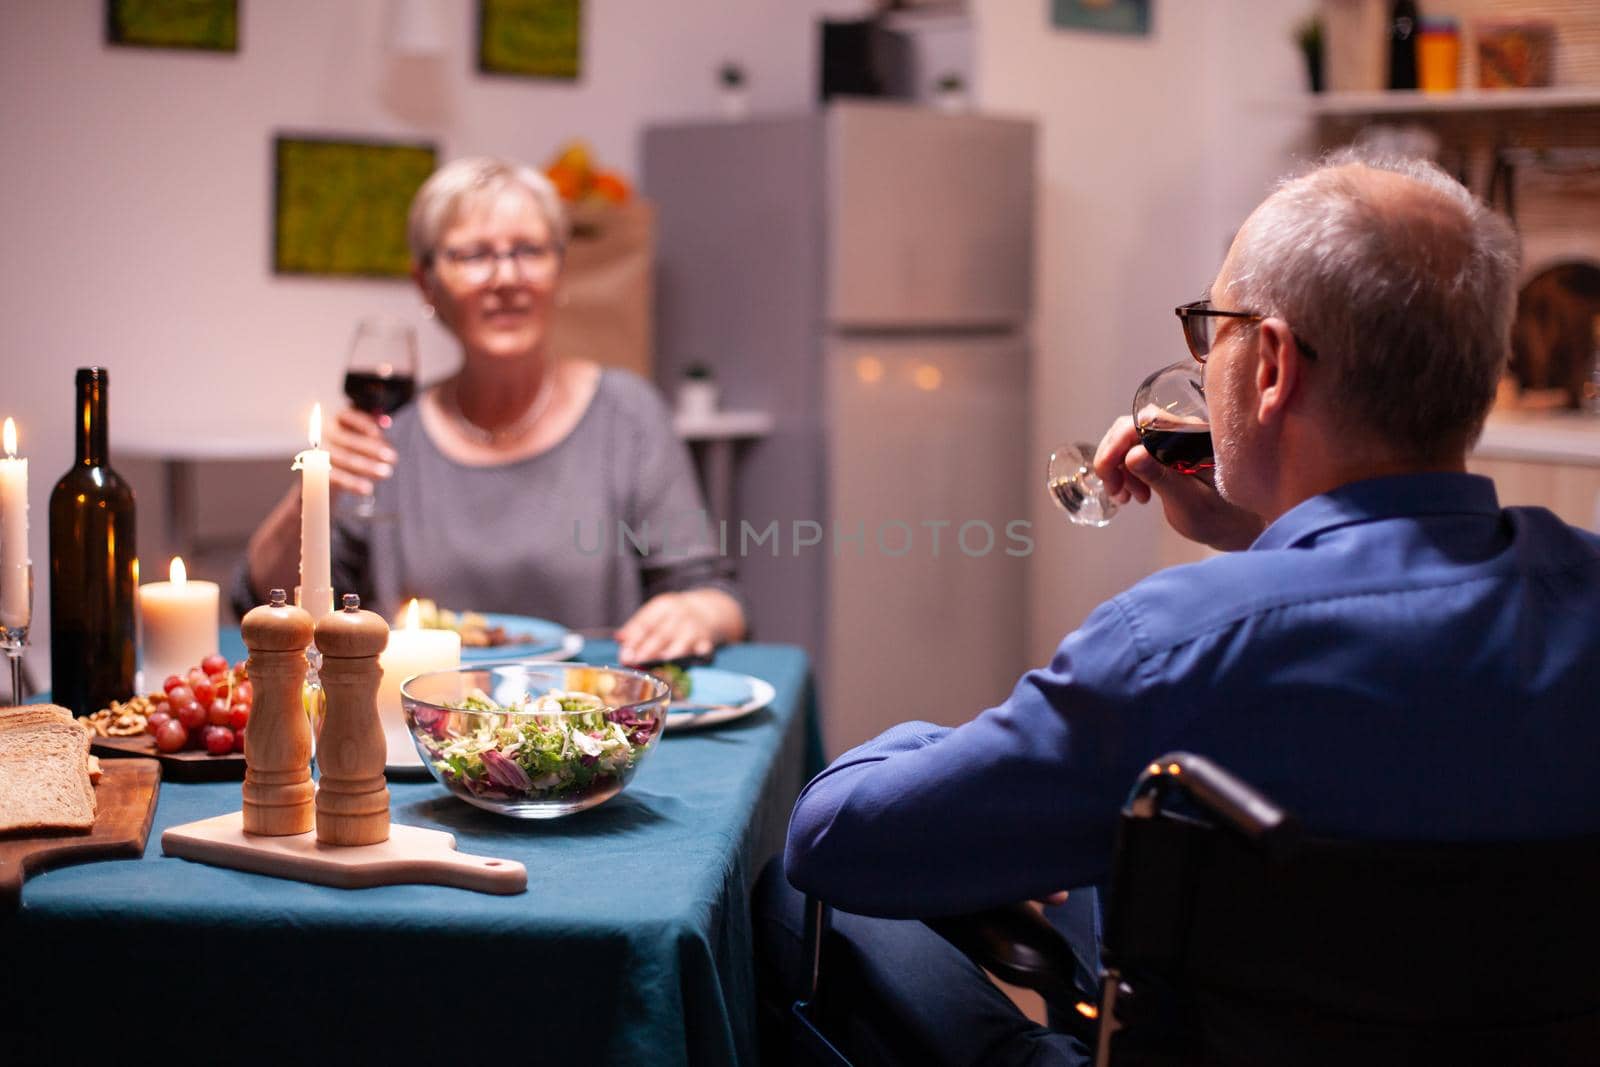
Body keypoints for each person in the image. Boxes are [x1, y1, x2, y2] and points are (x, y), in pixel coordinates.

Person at [758, 151, 1600, 1064]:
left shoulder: (1174, 648)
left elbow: (835, 835)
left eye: (1214, 331)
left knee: (792, 897)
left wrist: (933, 746)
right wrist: (1268, 538)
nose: (1204, 363)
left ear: (1272, 365)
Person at [236, 157, 745, 664]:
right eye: (474, 255)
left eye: (528, 251)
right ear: (426, 284)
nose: (506, 277)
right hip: (417, 730)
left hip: (589, 728)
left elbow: (715, 597)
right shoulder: (388, 436)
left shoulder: (628, 415)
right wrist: (315, 489)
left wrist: (694, 613)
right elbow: (267, 602)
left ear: (561, 270)